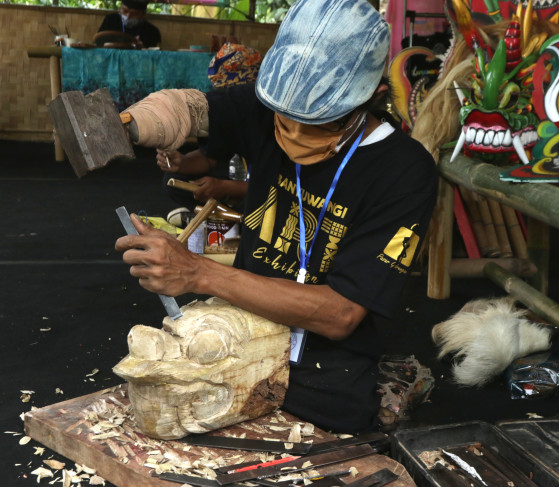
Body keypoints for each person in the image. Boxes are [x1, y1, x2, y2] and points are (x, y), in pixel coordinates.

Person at [115, 0, 438, 434]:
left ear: (373, 97)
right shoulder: (265, 106)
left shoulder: (404, 171)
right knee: (167, 401)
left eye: (319, 121)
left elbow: (340, 314)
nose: (295, 132)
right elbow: (194, 110)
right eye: (287, 118)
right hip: (242, 317)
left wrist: (196, 272)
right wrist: (131, 123)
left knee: (332, 417)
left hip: (324, 352)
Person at [158, 43, 263, 213]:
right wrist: (181, 163)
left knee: (253, 204)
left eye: (228, 93)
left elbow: (281, 189)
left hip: (271, 192)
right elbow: (209, 158)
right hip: (243, 183)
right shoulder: (226, 113)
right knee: (176, 182)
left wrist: (228, 187)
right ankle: (222, 217)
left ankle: (232, 221)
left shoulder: (275, 121)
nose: (221, 99)